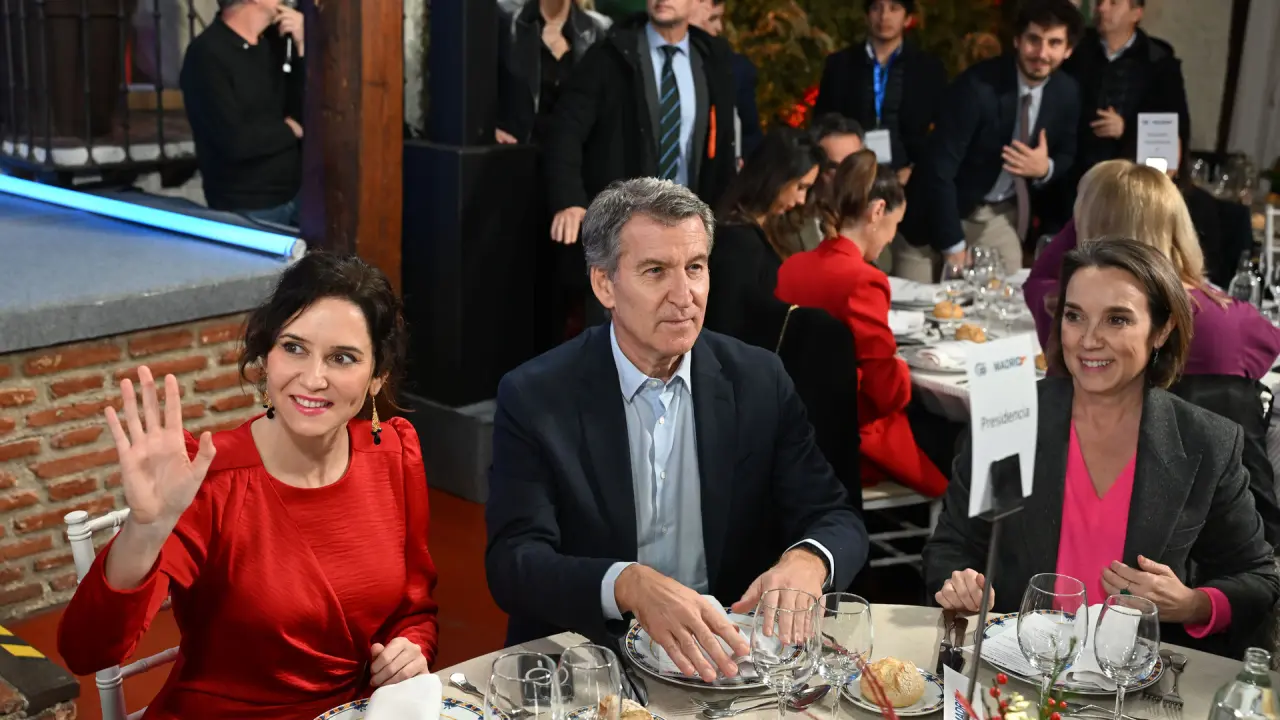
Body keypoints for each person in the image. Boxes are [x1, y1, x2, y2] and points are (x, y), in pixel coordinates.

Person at [485, 178, 867, 676]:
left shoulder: (758, 380)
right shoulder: (537, 395)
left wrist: (808, 560)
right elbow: (514, 562)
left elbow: (836, 517)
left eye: (695, 268)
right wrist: (626, 584)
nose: (684, 296)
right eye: (655, 271)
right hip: (590, 663)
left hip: (727, 665)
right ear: (604, 285)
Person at [57, 255, 439, 719]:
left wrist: (410, 649)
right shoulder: (206, 478)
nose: (312, 378)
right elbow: (85, 651)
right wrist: (145, 531)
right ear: (265, 357)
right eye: (294, 348)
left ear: (378, 376)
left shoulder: (394, 454)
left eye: (342, 358)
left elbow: (415, 612)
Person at [924, 239, 1280, 657]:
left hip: (1135, 682)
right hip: (1013, 670)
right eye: (1075, 316)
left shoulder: (1205, 442)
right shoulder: (1012, 417)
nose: (1089, 340)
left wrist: (1190, 604)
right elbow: (952, 546)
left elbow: (1258, 579)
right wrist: (959, 583)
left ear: (1162, 330)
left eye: (1117, 319)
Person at [775, 151, 947, 498]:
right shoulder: (864, 280)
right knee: (956, 442)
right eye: (895, 225)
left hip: (789, 432)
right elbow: (887, 395)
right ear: (878, 211)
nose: (891, 237)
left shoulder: (792, 266)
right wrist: (902, 369)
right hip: (848, 442)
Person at [1025, 160, 1280, 380]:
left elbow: (1039, 279)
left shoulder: (1065, 312)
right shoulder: (1229, 320)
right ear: (1178, 225)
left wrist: (1095, 216)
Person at [898, 0, 1082, 281]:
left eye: (1054, 43)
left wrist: (1045, 168)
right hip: (932, 212)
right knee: (916, 301)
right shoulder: (976, 88)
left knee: (1009, 296)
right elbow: (938, 171)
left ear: (1068, 50)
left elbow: (1068, 152)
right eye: (1033, 40)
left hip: (995, 215)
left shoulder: (1067, 92)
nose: (1042, 53)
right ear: (1017, 40)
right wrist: (953, 247)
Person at [544, 0, 739, 248]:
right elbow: (566, 130)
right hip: (620, 229)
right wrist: (569, 200)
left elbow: (722, 148)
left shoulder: (712, 60)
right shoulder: (610, 54)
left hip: (688, 228)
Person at [180, 0, 306, 226]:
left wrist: (302, 46)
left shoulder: (275, 42)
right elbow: (234, 141)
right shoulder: (207, 55)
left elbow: (306, 111)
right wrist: (289, 130)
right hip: (249, 204)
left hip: (297, 194)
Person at [704, 127, 824, 345]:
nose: (802, 200)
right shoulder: (738, 241)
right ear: (777, 177)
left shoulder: (775, 227)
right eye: (800, 187)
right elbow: (726, 326)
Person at [812, 0, 946, 187]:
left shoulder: (928, 68)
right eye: (876, 8)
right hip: (849, 174)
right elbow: (823, 121)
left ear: (908, 19)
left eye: (894, 8)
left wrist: (916, 169)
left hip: (907, 176)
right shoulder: (840, 64)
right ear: (867, 16)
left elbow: (943, 128)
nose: (884, 16)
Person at [1060, 0, 1190, 192]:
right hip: (1072, 176)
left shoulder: (1158, 62)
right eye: (1100, 1)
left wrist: (1127, 130)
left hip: (1129, 182)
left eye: (1113, 3)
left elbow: (1172, 131)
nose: (1102, 8)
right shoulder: (1074, 52)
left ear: (1136, 13)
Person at [495, 0, 611, 146]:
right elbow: (480, 95)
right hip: (518, 154)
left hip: (576, 156)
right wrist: (490, 131)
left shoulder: (597, 33)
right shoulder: (506, 24)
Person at [690, 0, 764, 160]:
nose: (719, 28)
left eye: (718, 18)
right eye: (712, 19)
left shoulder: (734, 70)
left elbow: (750, 134)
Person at [798, 113, 866, 251]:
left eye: (853, 166)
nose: (847, 175)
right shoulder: (792, 226)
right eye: (834, 168)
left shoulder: (873, 219)